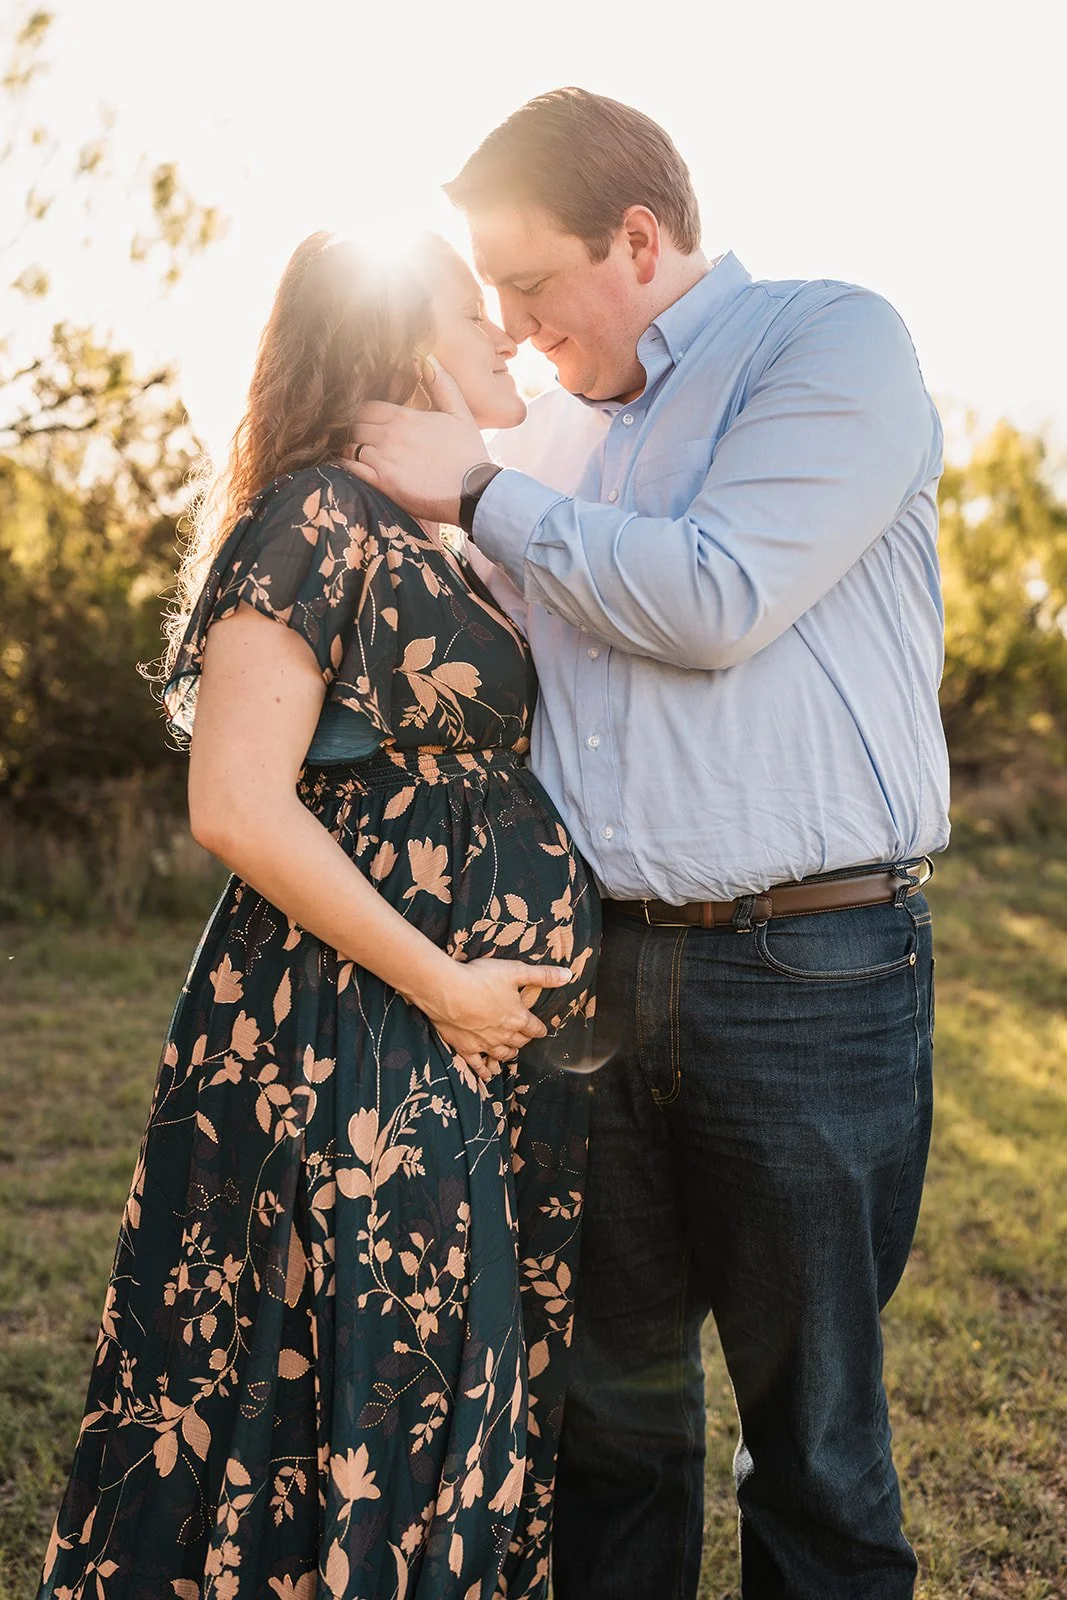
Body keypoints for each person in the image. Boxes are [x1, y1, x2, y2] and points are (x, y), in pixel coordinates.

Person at [346, 88, 948, 1600]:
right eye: (493, 297)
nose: (516, 325)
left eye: (532, 284)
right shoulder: (547, 432)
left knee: (814, 1441)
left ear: (635, 238)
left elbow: (715, 596)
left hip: (807, 970)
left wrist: (478, 491)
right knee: (607, 1427)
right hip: (588, 973)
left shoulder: (828, 345)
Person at [38, 230, 599, 1600]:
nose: (506, 332)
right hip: (354, 1023)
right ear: (399, 339)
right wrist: (445, 986)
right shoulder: (312, 518)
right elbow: (235, 803)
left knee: (441, 1376)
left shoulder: (429, 532)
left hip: (449, 1032)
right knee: (353, 1371)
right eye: (472, 311)